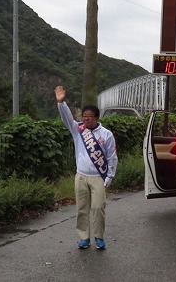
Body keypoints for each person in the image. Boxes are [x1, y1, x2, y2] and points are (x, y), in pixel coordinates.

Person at [54, 85, 118, 250]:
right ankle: (84, 237)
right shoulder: (78, 130)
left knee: (98, 207)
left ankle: (99, 237)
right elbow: (67, 118)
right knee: (82, 209)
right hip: (81, 176)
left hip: (99, 177)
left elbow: (112, 157)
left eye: (89, 116)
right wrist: (61, 103)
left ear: (96, 117)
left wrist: (109, 177)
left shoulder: (106, 134)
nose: (86, 119)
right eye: (84, 116)